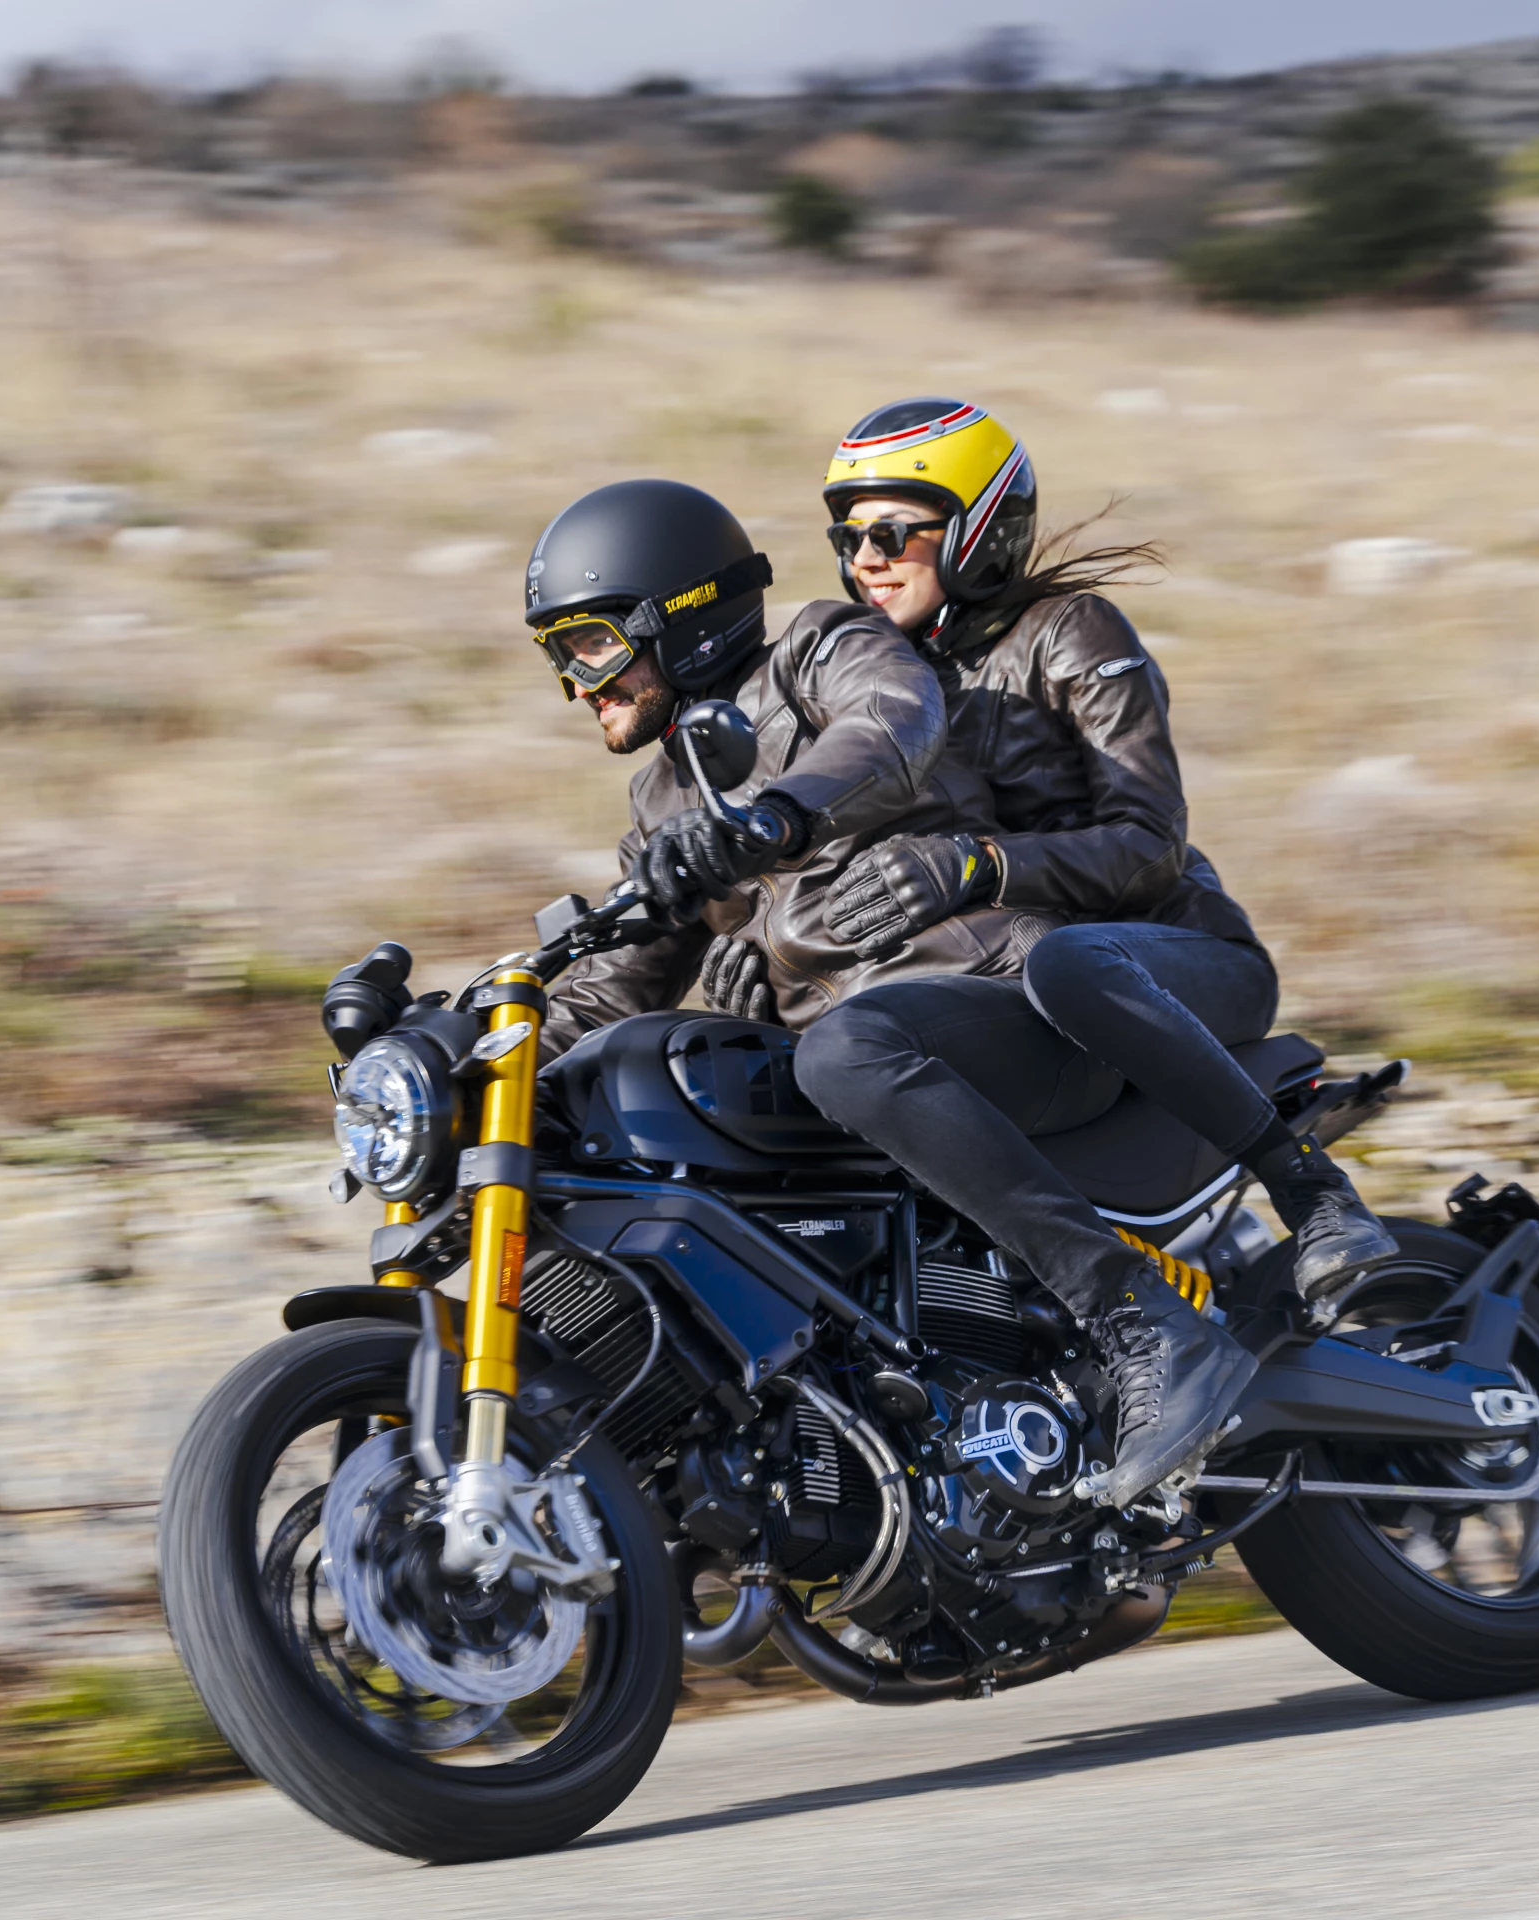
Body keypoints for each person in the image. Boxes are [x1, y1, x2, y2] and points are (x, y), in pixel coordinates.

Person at [524, 476, 1250, 1505]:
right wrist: (462, 1055)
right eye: (558, 653)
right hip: (883, 1071)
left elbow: (892, 727)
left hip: (1010, 1006)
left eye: (592, 645)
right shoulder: (663, 801)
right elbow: (608, 993)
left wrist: (776, 817)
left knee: (844, 1050)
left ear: (678, 619)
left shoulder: (824, 650)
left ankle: (1146, 1322)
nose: (576, 682)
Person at [800, 395, 1399, 1307]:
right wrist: (779, 946)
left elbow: (1150, 842)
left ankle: (1314, 1195)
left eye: (892, 533)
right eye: (848, 538)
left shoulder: (1072, 633)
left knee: (1071, 959)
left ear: (978, 529)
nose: (865, 560)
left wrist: (979, 864)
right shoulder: (880, 684)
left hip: (1171, 960)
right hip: (1028, 994)